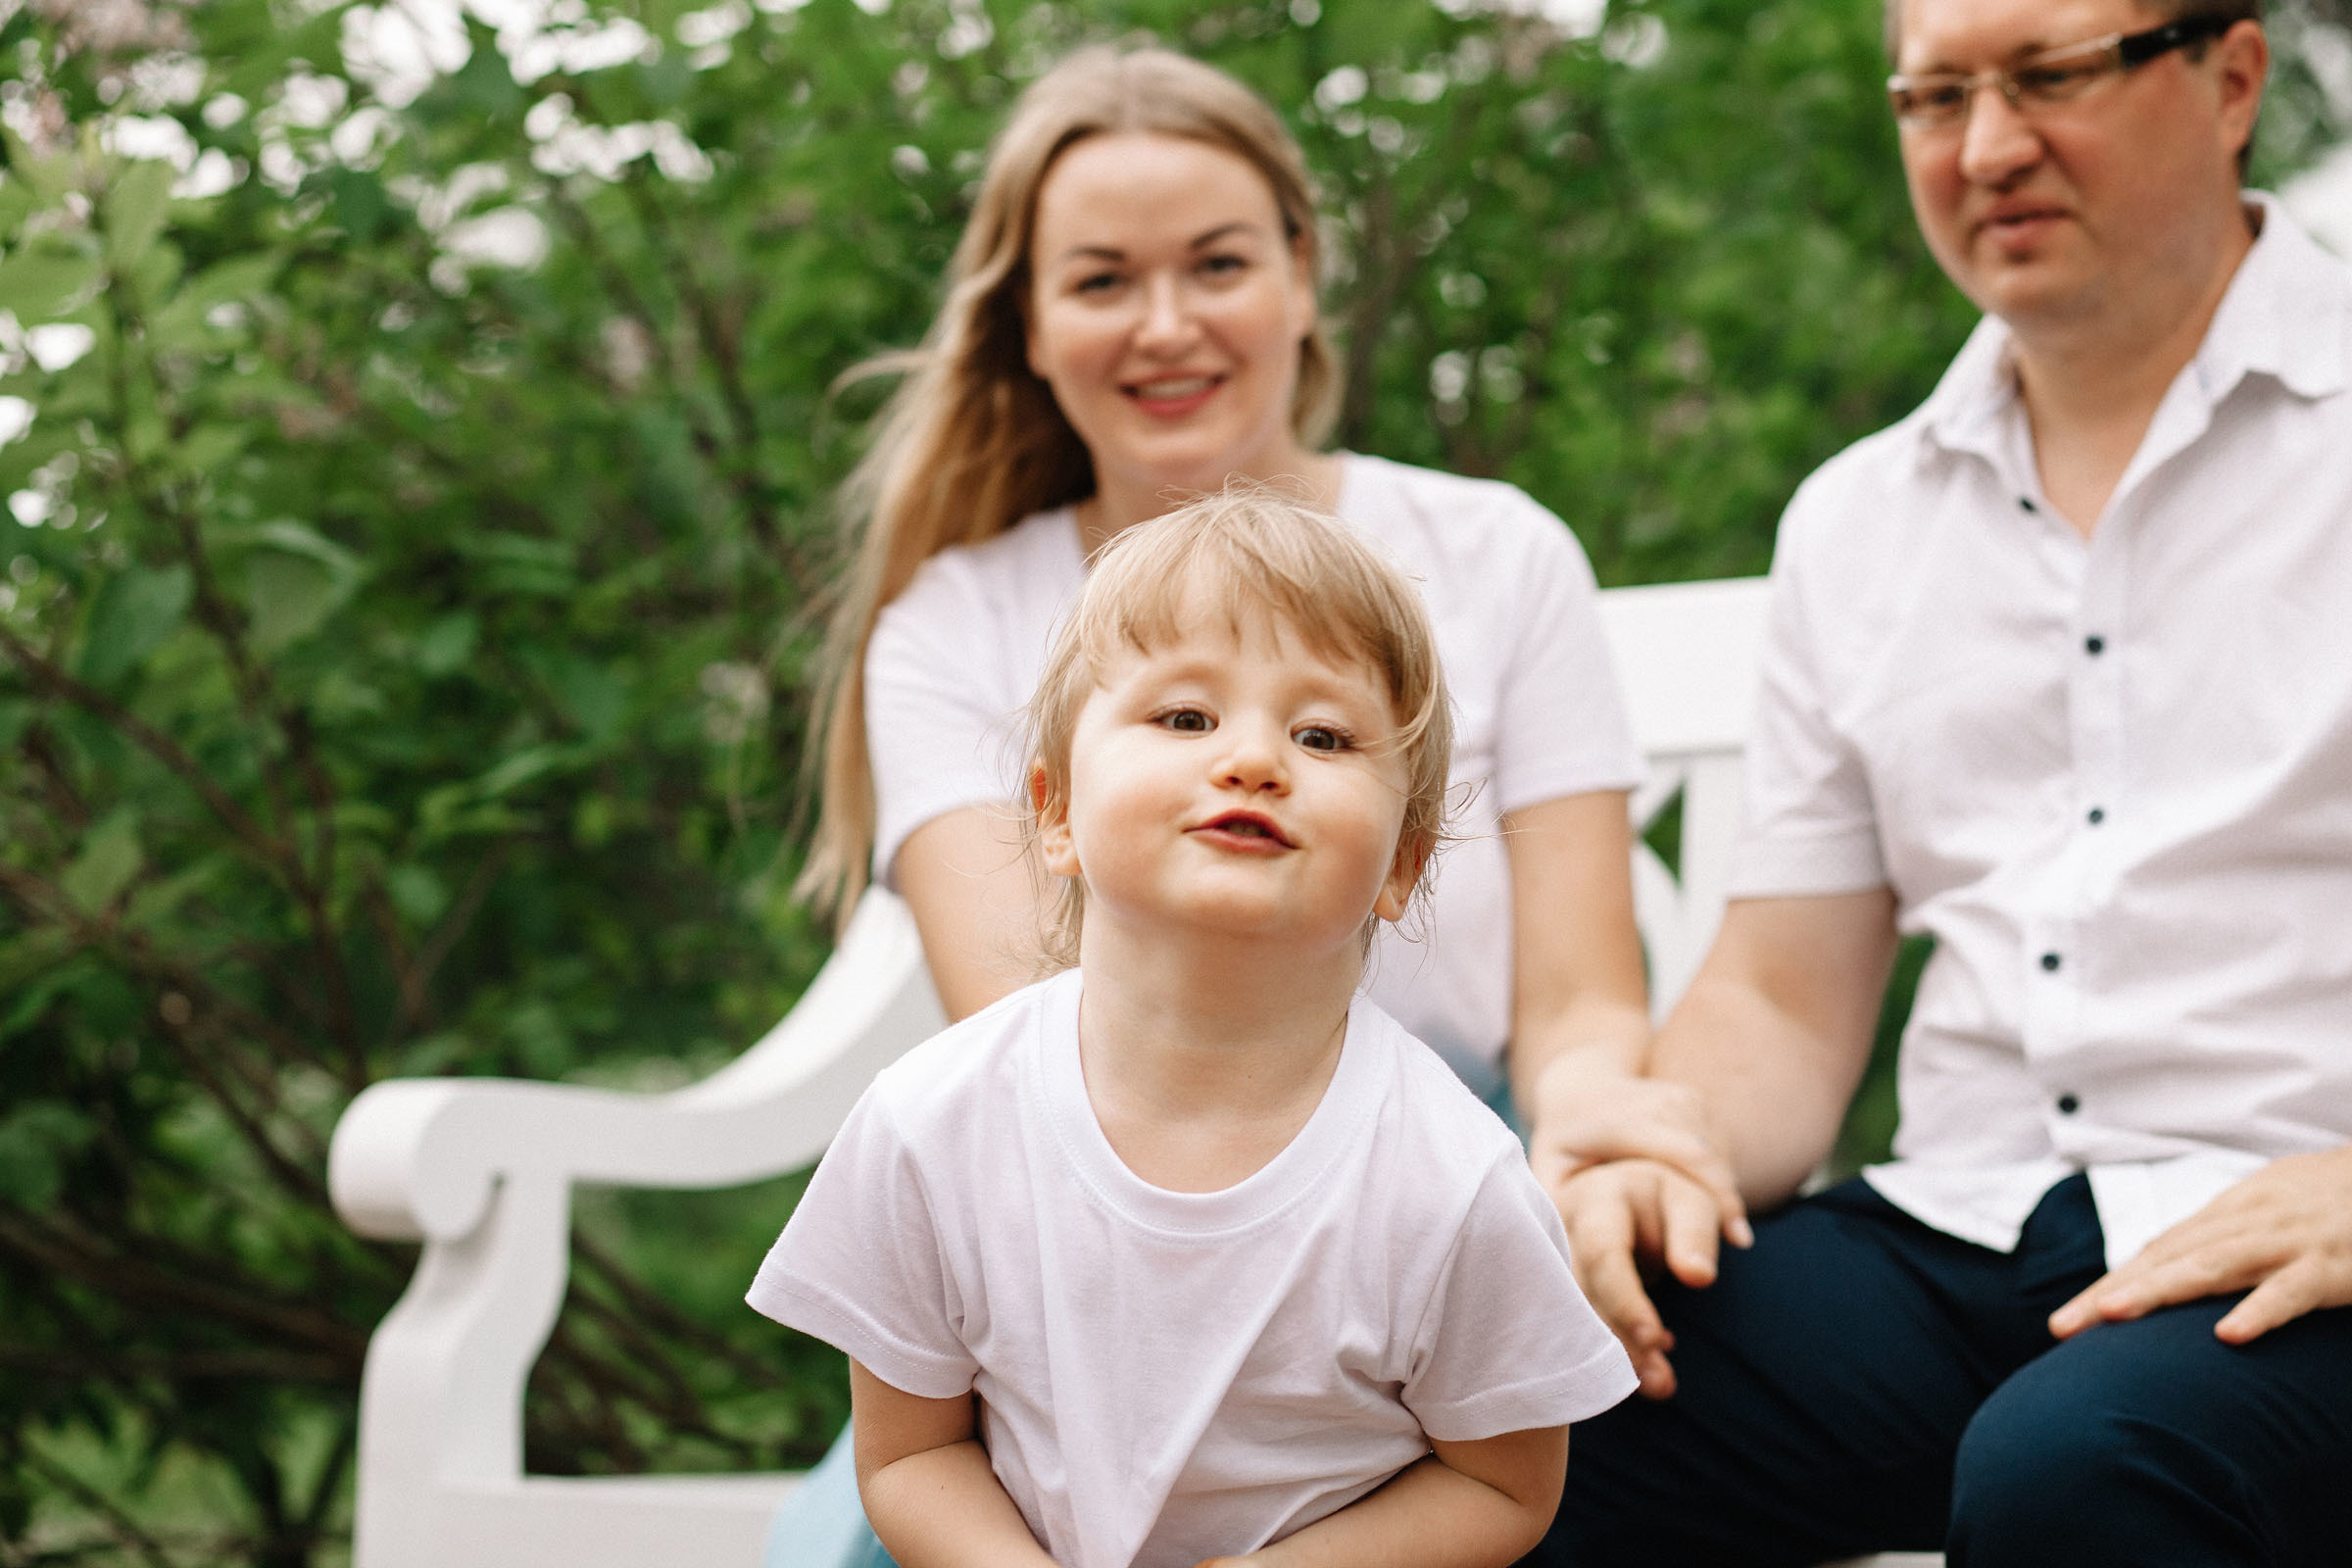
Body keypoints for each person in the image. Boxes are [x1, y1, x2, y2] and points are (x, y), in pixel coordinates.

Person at [767, 43, 1651, 1566]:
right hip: (1085, 1186)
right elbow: (1033, 1002)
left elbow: (1582, 1005)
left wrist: (1591, 1158)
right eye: (1103, 278)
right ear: (1030, 325)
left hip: (1432, 1161)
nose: (1167, 324)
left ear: (1303, 279)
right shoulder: (957, 620)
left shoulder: (1494, 555)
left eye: (1220, 263)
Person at [1534, 2, 2352, 1564]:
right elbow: (1780, 1003)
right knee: (1521, 1406)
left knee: (2080, 1467)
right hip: (1962, 1226)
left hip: (2306, 1234)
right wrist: (1656, 1145)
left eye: (2049, 78)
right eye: (1935, 96)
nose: (1987, 148)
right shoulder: (1857, 522)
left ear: (2233, 77)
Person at [752, 494, 1638, 1568]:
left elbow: (1502, 1482)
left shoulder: (1451, 1185)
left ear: (1402, 865)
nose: (1254, 759)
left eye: (1322, 734)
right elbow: (908, 1457)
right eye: (1185, 719)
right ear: (1056, 813)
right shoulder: (933, 1125)